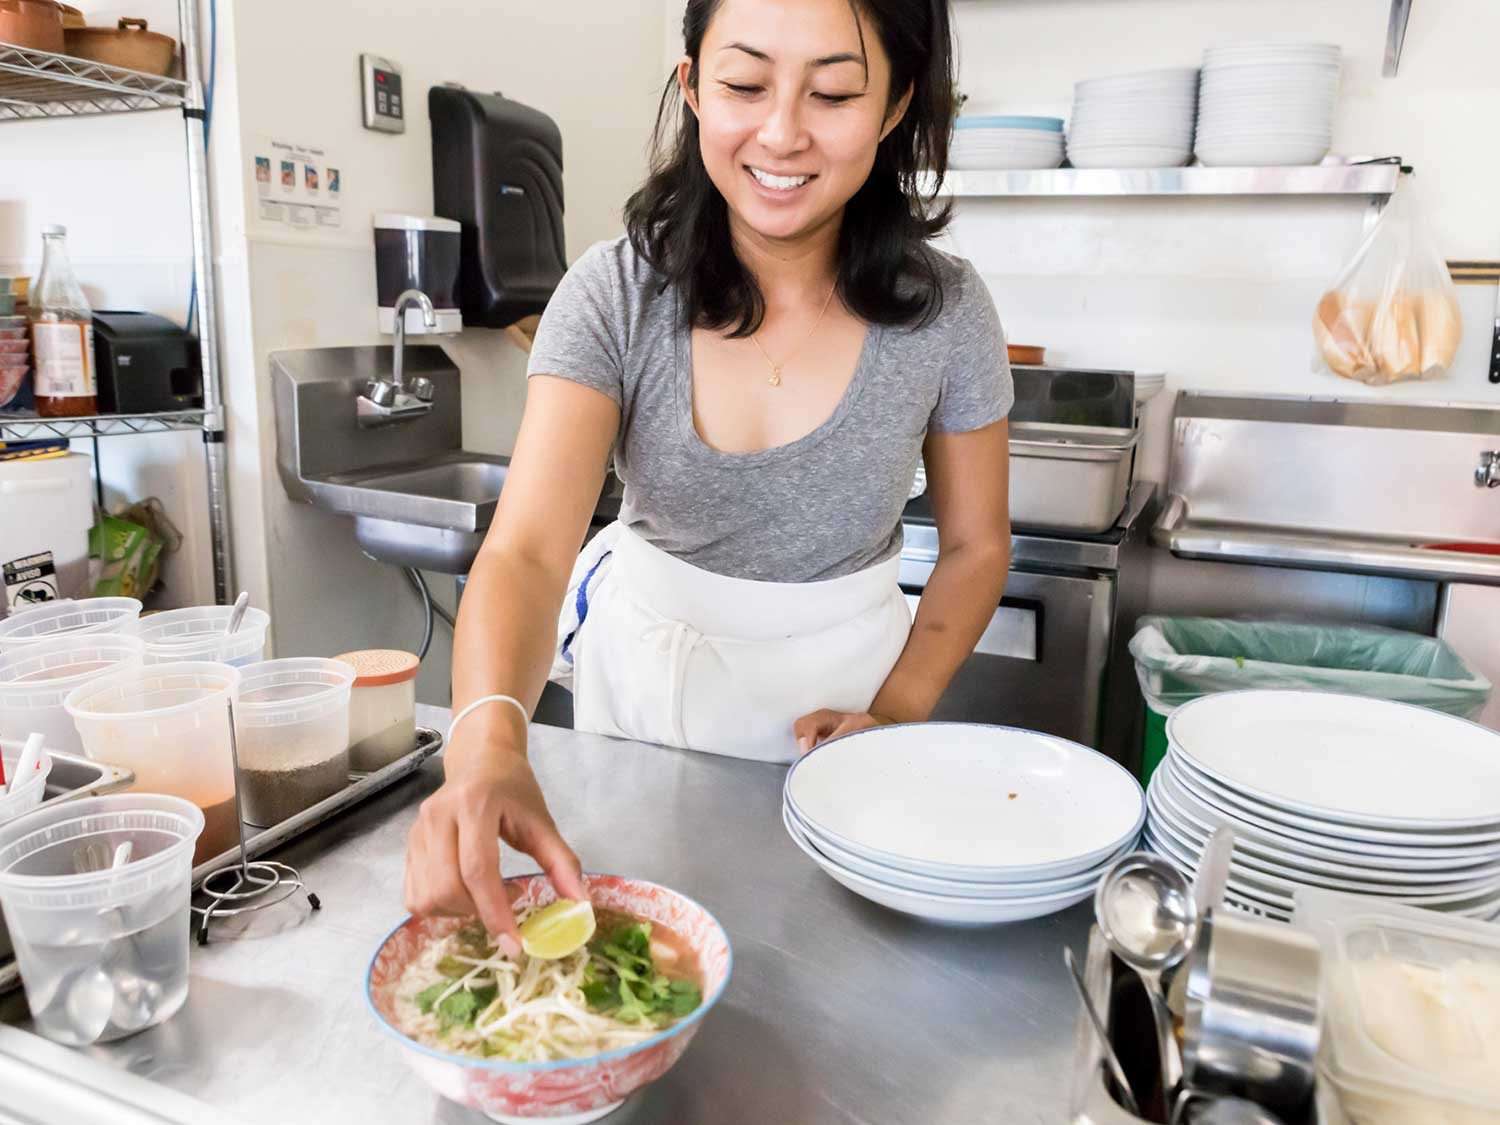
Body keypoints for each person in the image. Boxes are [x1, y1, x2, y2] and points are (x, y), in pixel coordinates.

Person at [404, 0, 1013, 955]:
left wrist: (896, 711)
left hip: (842, 713)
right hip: (644, 702)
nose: (781, 132)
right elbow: (526, 550)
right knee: (629, 961)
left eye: (836, 92)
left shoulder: (947, 312)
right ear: (691, 86)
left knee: (833, 984)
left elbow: (978, 546)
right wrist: (484, 740)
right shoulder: (614, 294)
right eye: (742, 83)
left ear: (895, 106)